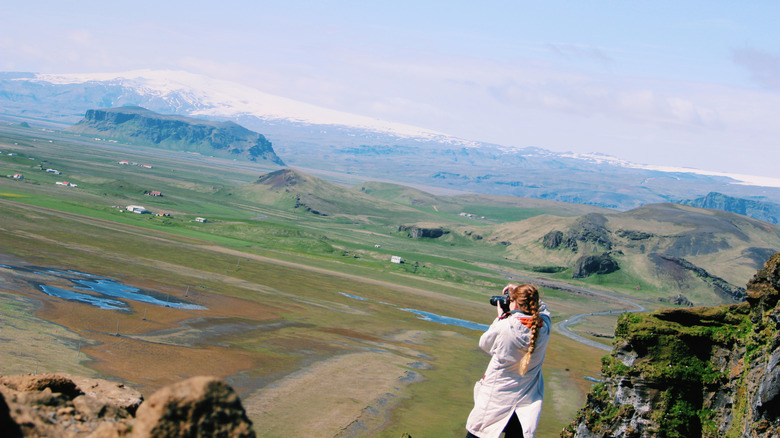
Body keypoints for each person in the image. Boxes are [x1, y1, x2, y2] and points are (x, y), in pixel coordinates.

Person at [465, 283, 552, 438]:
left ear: (516, 304)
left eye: (510, 300)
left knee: (478, 433)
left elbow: (484, 344)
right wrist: (521, 290)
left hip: (495, 401)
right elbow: (543, 309)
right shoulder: (544, 328)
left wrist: (500, 317)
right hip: (525, 406)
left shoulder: (505, 326)